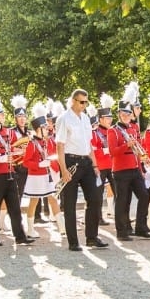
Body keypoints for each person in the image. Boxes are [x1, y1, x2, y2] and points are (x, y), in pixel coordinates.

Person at [0, 92, 34, 247]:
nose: (3, 116)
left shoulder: (8, 132)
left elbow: (17, 146)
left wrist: (19, 152)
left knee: (15, 207)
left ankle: (20, 236)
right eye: (1, 114)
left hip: (10, 173)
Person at [56, 89, 108, 251]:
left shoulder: (85, 118)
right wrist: (63, 169)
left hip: (86, 161)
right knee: (69, 204)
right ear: (73, 101)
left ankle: (91, 237)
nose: (84, 105)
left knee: (95, 199)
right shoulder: (64, 119)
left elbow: (89, 144)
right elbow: (60, 145)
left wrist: (95, 165)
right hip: (71, 161)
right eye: (81, 102)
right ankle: (73, 241)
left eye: (86, 102)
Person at [106, 98, 150, 241]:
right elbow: (112, 152)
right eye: (123, 113)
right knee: (122, 201)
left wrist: (142, 165)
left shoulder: (133, 128)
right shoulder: (113, 131)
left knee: (145, 195)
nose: (126, 115)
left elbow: (138, 150)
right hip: (120, 170)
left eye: (128, 113)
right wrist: (126, 145)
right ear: (119, 114)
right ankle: (122, 231)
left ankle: (141, 227)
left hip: (134, 169)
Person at [21, 105, 61, 236]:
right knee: (34, 201)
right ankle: (30, 229)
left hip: (46, 175)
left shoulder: (44, 142)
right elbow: (26, 162)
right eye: (44, 127)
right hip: (35, 177)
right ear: (39, 129)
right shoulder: (32, 144)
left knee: (53, 198)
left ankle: (62, 227)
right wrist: (39, 164)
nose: (47, 129)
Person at [91, 95, 116, 225]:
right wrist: (104, 151)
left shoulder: (113, 131)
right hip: (100, 166)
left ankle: (121, 216)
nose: (110, 120)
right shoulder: (94, 133)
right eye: (107, 118)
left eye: (111, 118)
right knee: (98, 193)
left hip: (112, 165)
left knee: (118, 191)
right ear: (100, 119)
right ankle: (98, 217)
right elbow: (92, 151)